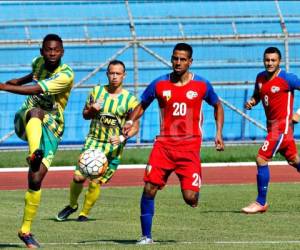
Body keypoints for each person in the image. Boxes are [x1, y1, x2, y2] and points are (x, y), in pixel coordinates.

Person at [123, 43, 225, 244]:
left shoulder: (202, 85)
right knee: (149, 188)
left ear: (190, 62)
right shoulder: (159, 84)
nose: (178, 62)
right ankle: (146, 236)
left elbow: (217, 105)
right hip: (164, 147)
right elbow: (142, 104)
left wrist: (218, 133)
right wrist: (130, 120)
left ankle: (194, 193)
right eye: (175, 58)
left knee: (190, 198)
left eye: (182, 59)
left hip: (189, 148)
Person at [0, 34, 74, 248]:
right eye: (48, 50)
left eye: (56, 50)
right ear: (42, 51)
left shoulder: (66, 75)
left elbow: (37, 87)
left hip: (53, 126)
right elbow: (34, 76)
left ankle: (25, 231)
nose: (52, 53)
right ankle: (33, 154)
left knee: (35, 180)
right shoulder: (38, 62)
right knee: (36, 110)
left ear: (62, 52)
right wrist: (19, 81)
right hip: (28, 118)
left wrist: (5, 87)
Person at [56, 60, 139, 222]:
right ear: (107, 74)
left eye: (118, 73)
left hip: (112, 148)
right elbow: (85, 115)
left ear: (124, 75)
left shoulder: (130, 100)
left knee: (96, 181)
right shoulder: (96, 91)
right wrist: (92, 109)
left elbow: (135, 127)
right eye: (111, 73)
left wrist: (122, 137)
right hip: (93, 142)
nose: (114, 77)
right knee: (78, 177)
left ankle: (84, 214)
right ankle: (72, 205)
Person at [241, 47, 300, 214]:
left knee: (261, 159)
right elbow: (258, 95)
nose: (270, 63)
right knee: (295, 160)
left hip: (282, 128)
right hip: (272, 127)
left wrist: (298, 113)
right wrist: (252, 101)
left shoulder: (288, 79)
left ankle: (261, 202)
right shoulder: (260, 78)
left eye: (273, 60)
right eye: (267, 60)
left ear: (279, 61)